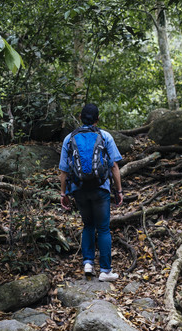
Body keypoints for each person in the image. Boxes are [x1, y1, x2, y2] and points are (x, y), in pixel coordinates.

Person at [59, 103, 123, 282]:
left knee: (88, 225)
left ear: (80, 118)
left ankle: (88, 263)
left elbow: (64, 171)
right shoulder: (105, 136)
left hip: (78, 189)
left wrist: (63, 194)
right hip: (100, 188)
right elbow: (115, 166)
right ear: (97, 119)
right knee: (103, 228)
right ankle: (105, 271)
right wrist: (119, 190)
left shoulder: (69, 139)